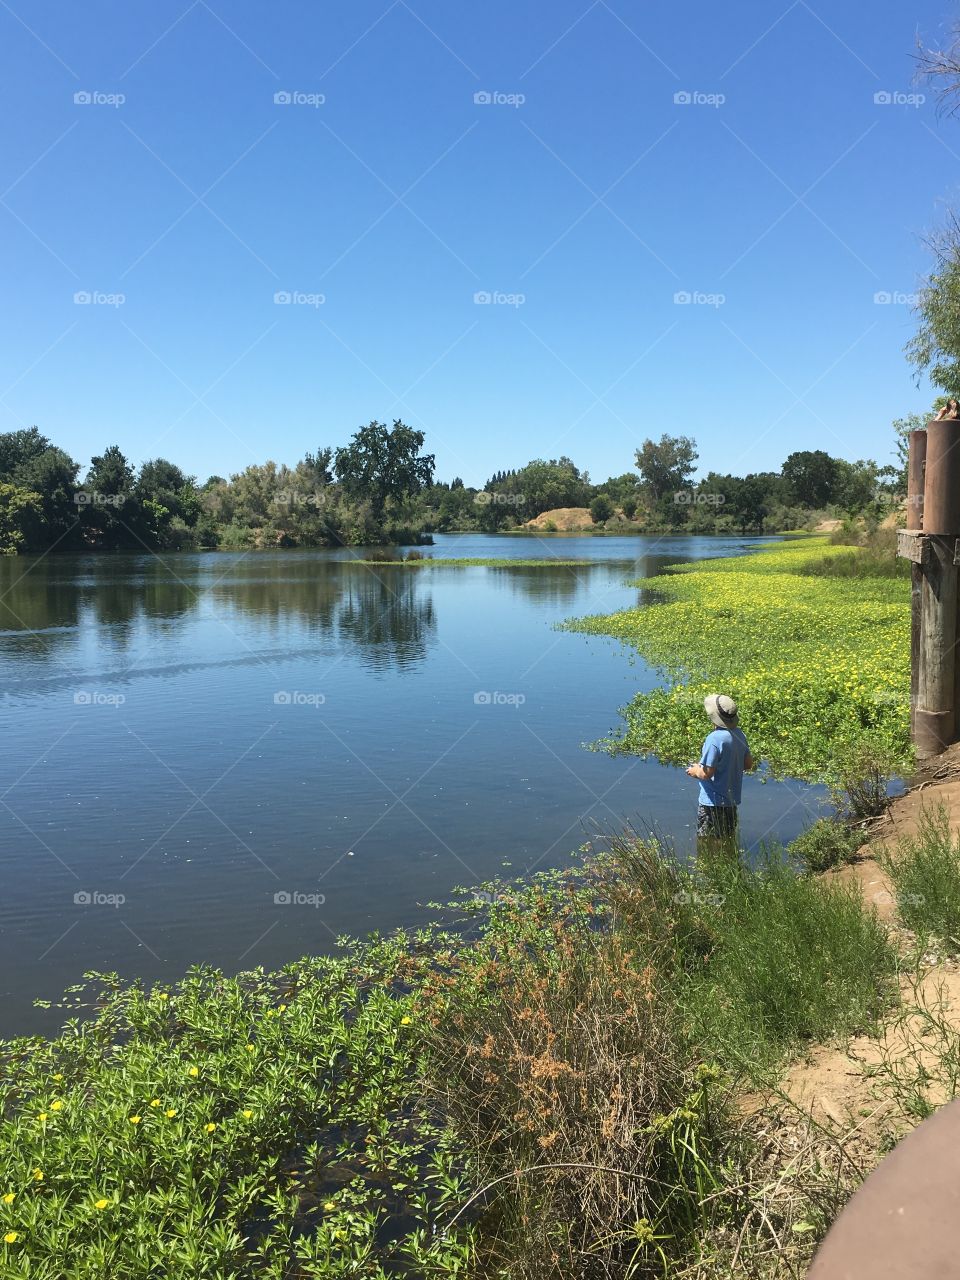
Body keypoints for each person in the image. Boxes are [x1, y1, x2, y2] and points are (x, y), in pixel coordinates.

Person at [685, 693, 754, 846]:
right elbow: (748, 764)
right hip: (731, 802)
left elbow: (706, 773)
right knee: (726, 839)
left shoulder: (714, 739)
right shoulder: (740, 735)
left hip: (711, 803)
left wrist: (694, 770)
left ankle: (710, 868)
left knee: (706, 841)